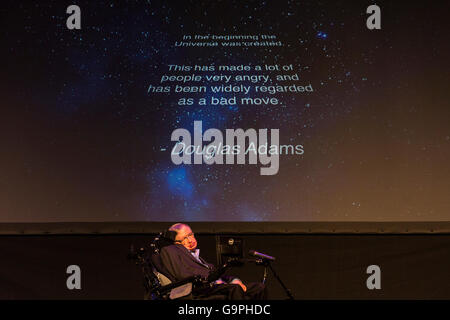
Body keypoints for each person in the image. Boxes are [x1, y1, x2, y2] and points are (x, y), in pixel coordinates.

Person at [159, 223, 266, 300]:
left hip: (215, 285)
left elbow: (217, 273)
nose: (190, 240)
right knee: (235, 289)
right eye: (185, 238)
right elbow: (181, 274)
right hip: (198, 288)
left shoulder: (198, 257)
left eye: (191, 235)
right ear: (176, 242)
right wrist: (211, 280)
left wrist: (234, 280)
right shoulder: (171, 250)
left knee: (259, 287)